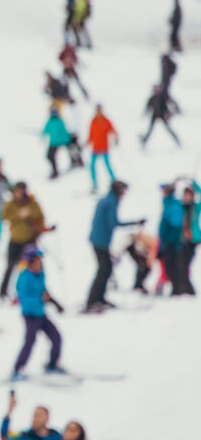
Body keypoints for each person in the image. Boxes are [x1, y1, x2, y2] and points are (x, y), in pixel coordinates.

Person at [86, 181, 142, 311]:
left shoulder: (106, 200)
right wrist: (134, 223)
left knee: (106, 269)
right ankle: (93, 300)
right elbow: (113, 223)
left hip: (99, 239)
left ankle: (99, 298)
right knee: (103, 270)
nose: (124, 194)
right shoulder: (111, 202)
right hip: (101, 241)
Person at [12, 249, 65, 381]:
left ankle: (52, 364)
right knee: (30, 342)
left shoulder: (40, 274)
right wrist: (40, 300)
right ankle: (17, 369)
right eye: (37, 260)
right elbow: (23, 298)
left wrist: (55, 303)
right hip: (30, 316)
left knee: (56, 337)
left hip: (41, 314)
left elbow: (44, 291)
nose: (40, 263)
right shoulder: (24, 278)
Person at [0, 183, 48, 299]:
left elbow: (40, 217)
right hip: (15, 240)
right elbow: (4, 217)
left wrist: (30, 214)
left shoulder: (32, 203)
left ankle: (35, 291)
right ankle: (3, 291)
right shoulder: (11, 204)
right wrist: (19, 215)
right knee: (10, 266)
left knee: (33, 267)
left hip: (29, 240)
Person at [158, 183, 193, 296]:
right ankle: (177, 289)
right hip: (167, 242)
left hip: (172, 242)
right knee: (170, 267)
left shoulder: (173, 205)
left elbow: (176, 223)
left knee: (172, 267)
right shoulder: (168, 204)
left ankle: (178, 290)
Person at [86, 105, 117, 193]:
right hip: (95, 147)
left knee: (107, 166)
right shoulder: (93, 121)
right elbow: (90, 134)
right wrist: (87, 142)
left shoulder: (106, 121)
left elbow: (112, 130)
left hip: (104, 147)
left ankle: (114, 182)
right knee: (92, 166)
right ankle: (94, 185)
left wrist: (115, 137)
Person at [41, 107, 70, 179]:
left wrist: (67, 140)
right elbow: (45, 130)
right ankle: (55, 170)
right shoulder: (49, 121)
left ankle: (55, 171)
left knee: (50, 156)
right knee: (49, 156)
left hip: (58, 142)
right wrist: (42, 135)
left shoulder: (59, 121)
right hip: (52, 142)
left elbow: (64, 131)